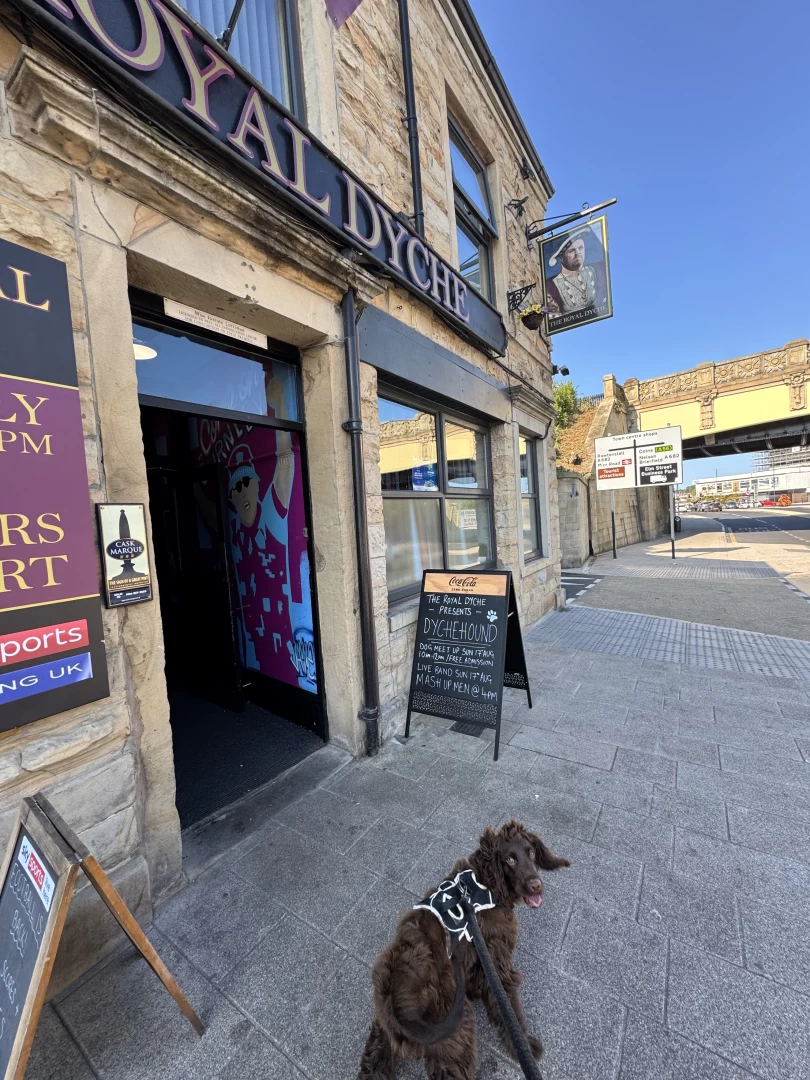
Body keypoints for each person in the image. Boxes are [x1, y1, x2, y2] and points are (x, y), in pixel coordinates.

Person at [544, 227, 607, 317]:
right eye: (571, 250)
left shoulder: (598, 270)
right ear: (561, 258)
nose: (578, 253)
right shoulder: (551, 285)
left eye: (581, 248)